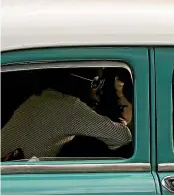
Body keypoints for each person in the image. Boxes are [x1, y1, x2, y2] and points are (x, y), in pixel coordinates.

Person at [1, 68, 133, 160]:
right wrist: (121, 121)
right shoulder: (71, 108)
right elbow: (121, 136)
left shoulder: (41, 98)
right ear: (77, 81)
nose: (100, 90)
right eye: (96, 83)